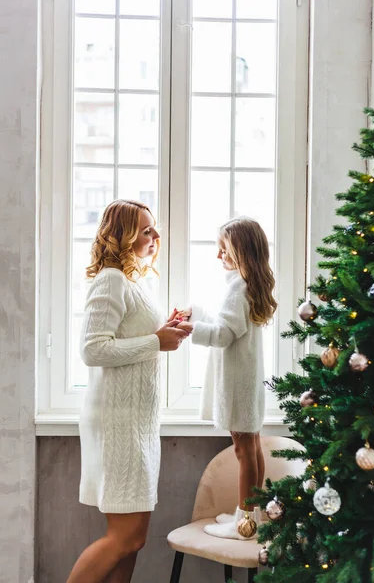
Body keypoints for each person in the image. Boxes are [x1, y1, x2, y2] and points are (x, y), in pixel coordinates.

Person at [67, 200, 190, 583]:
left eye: (154, 229)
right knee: (123, 536)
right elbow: (92, 350)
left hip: (137, 423)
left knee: (132, 540)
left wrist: (163, 330)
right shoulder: (111, 279)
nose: (155, 236)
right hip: (119, 424)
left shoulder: (134, 282)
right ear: (122, 235)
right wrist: (157, 341)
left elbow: (135, 337)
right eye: (145, 230)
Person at [175, 217, 277, 540]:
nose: (219, 257)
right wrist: (199, 314)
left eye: (224, 251)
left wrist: (189, 328)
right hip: (247, 385)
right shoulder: (249, 286)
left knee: (244, 452)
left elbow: (221, 335)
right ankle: (251, 516)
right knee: (253, 448)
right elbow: (228, 326)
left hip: (236, 388)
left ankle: (244, 523)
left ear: (241, 252)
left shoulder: (238, 288)